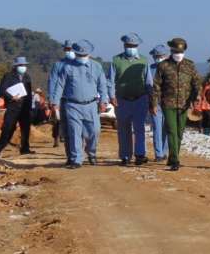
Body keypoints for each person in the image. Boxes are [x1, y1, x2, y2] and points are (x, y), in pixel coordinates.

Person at [51, 40, 108, 168]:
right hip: (72, 105)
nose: (82, 57)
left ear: (89, 54)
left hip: (91, 105)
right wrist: (55, 102)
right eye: (80, 55)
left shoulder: (97, 67)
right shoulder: (67, 67)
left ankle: (91, 153)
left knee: (94, 131)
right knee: (74, 133)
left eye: (84, 54)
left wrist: (103, 101)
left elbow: (102, 85)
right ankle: (76, 159)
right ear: (75, 53)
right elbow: (59, 85)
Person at [149, 37, 201, 171]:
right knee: (172, 130)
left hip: (184, 104)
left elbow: (196, 83)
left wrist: (197, 96)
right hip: (168, 104)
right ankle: (175, 161)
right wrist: (154, 103)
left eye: (181, 52)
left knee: (179, 132)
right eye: (176, 51)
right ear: (171, 51)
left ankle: (172, 157)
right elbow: (156, 86)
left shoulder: (190, 65)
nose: (179, 54)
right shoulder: (163, 65)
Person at [108, 32, 152, 166]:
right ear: (124, 45)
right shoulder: (116, 60)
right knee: (123, 129)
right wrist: (111, 96)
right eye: (129, 45)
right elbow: (110, 81)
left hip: (140, 99)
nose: (131, 48)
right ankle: (125, 156)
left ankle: (140, 155)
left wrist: (151, 98)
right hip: (122, 100)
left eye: (133, 46)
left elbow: (148, 81)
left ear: (137, 46)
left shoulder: (144, 60)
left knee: (139, 129)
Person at [0, 56, 34, 158]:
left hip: (25, 107)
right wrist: (11, 97)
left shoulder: (27, 77)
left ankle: (25, 149)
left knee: (26, 129)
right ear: (15, 66)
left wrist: (30, 107)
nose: (23, 67)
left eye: (24, 65)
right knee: (8, 128)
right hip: (12, 107)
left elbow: (29, 94)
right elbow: (2, 90)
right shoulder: (8, 76)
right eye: (20, 65)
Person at [48, 40, 74, 162]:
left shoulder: (80, 64)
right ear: (64, 50)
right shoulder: (58, 65)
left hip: (76, 100)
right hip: (61, 99)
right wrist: (52, 99)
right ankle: (57, 139)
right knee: (58, 122)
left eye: (71, 49)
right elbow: (52, 81)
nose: (69, 51)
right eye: (67, 49)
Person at [146, 44, 169, 162]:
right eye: (156, 56)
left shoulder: (171, 68)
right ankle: (158, 154)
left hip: (169, 103)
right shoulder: (150, 69)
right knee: (157, 128)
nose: (158, 58)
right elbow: (147, 86)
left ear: (166, 55)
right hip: (155, 103)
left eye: (161, 56)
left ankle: (165, 152)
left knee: (167, 128)